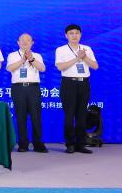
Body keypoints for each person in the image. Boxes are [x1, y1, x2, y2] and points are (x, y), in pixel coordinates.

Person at [55, 24, 98, 154]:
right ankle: (70, 144)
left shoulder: (87, 49)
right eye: (71, 33)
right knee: (69, 115)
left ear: (80, 35)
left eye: (77, 33)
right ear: (66, 35)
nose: (74, 35)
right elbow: (61, 67)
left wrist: (84, 57)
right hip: (69, 83)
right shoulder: (61, 50)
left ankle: (80, 144)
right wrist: (77, 58)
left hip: (84, 83)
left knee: (81, 115)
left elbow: (95, 66)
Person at [6, 33, 48, 153]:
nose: (25, 42)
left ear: (32, 43)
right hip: (18, 88)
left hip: (33, 88)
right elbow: (9, 68)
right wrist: (22, 60)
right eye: (22, 40)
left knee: (36, 116)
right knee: (20, 116)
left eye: (28, 40)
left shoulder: (37, 55)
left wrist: (31, 59)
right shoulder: (12, 55)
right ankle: (23, 144)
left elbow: (42, 68)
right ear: (18, 42)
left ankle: (38, 144)